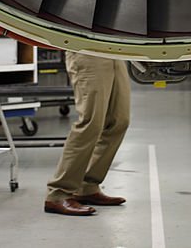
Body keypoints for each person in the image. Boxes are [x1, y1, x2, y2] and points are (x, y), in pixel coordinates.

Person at [44, 52, 130, 216]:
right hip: (87, 50)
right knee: (91, 122)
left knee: (119, 121)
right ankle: (58, 193)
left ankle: (87, 187)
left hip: (115, 50)